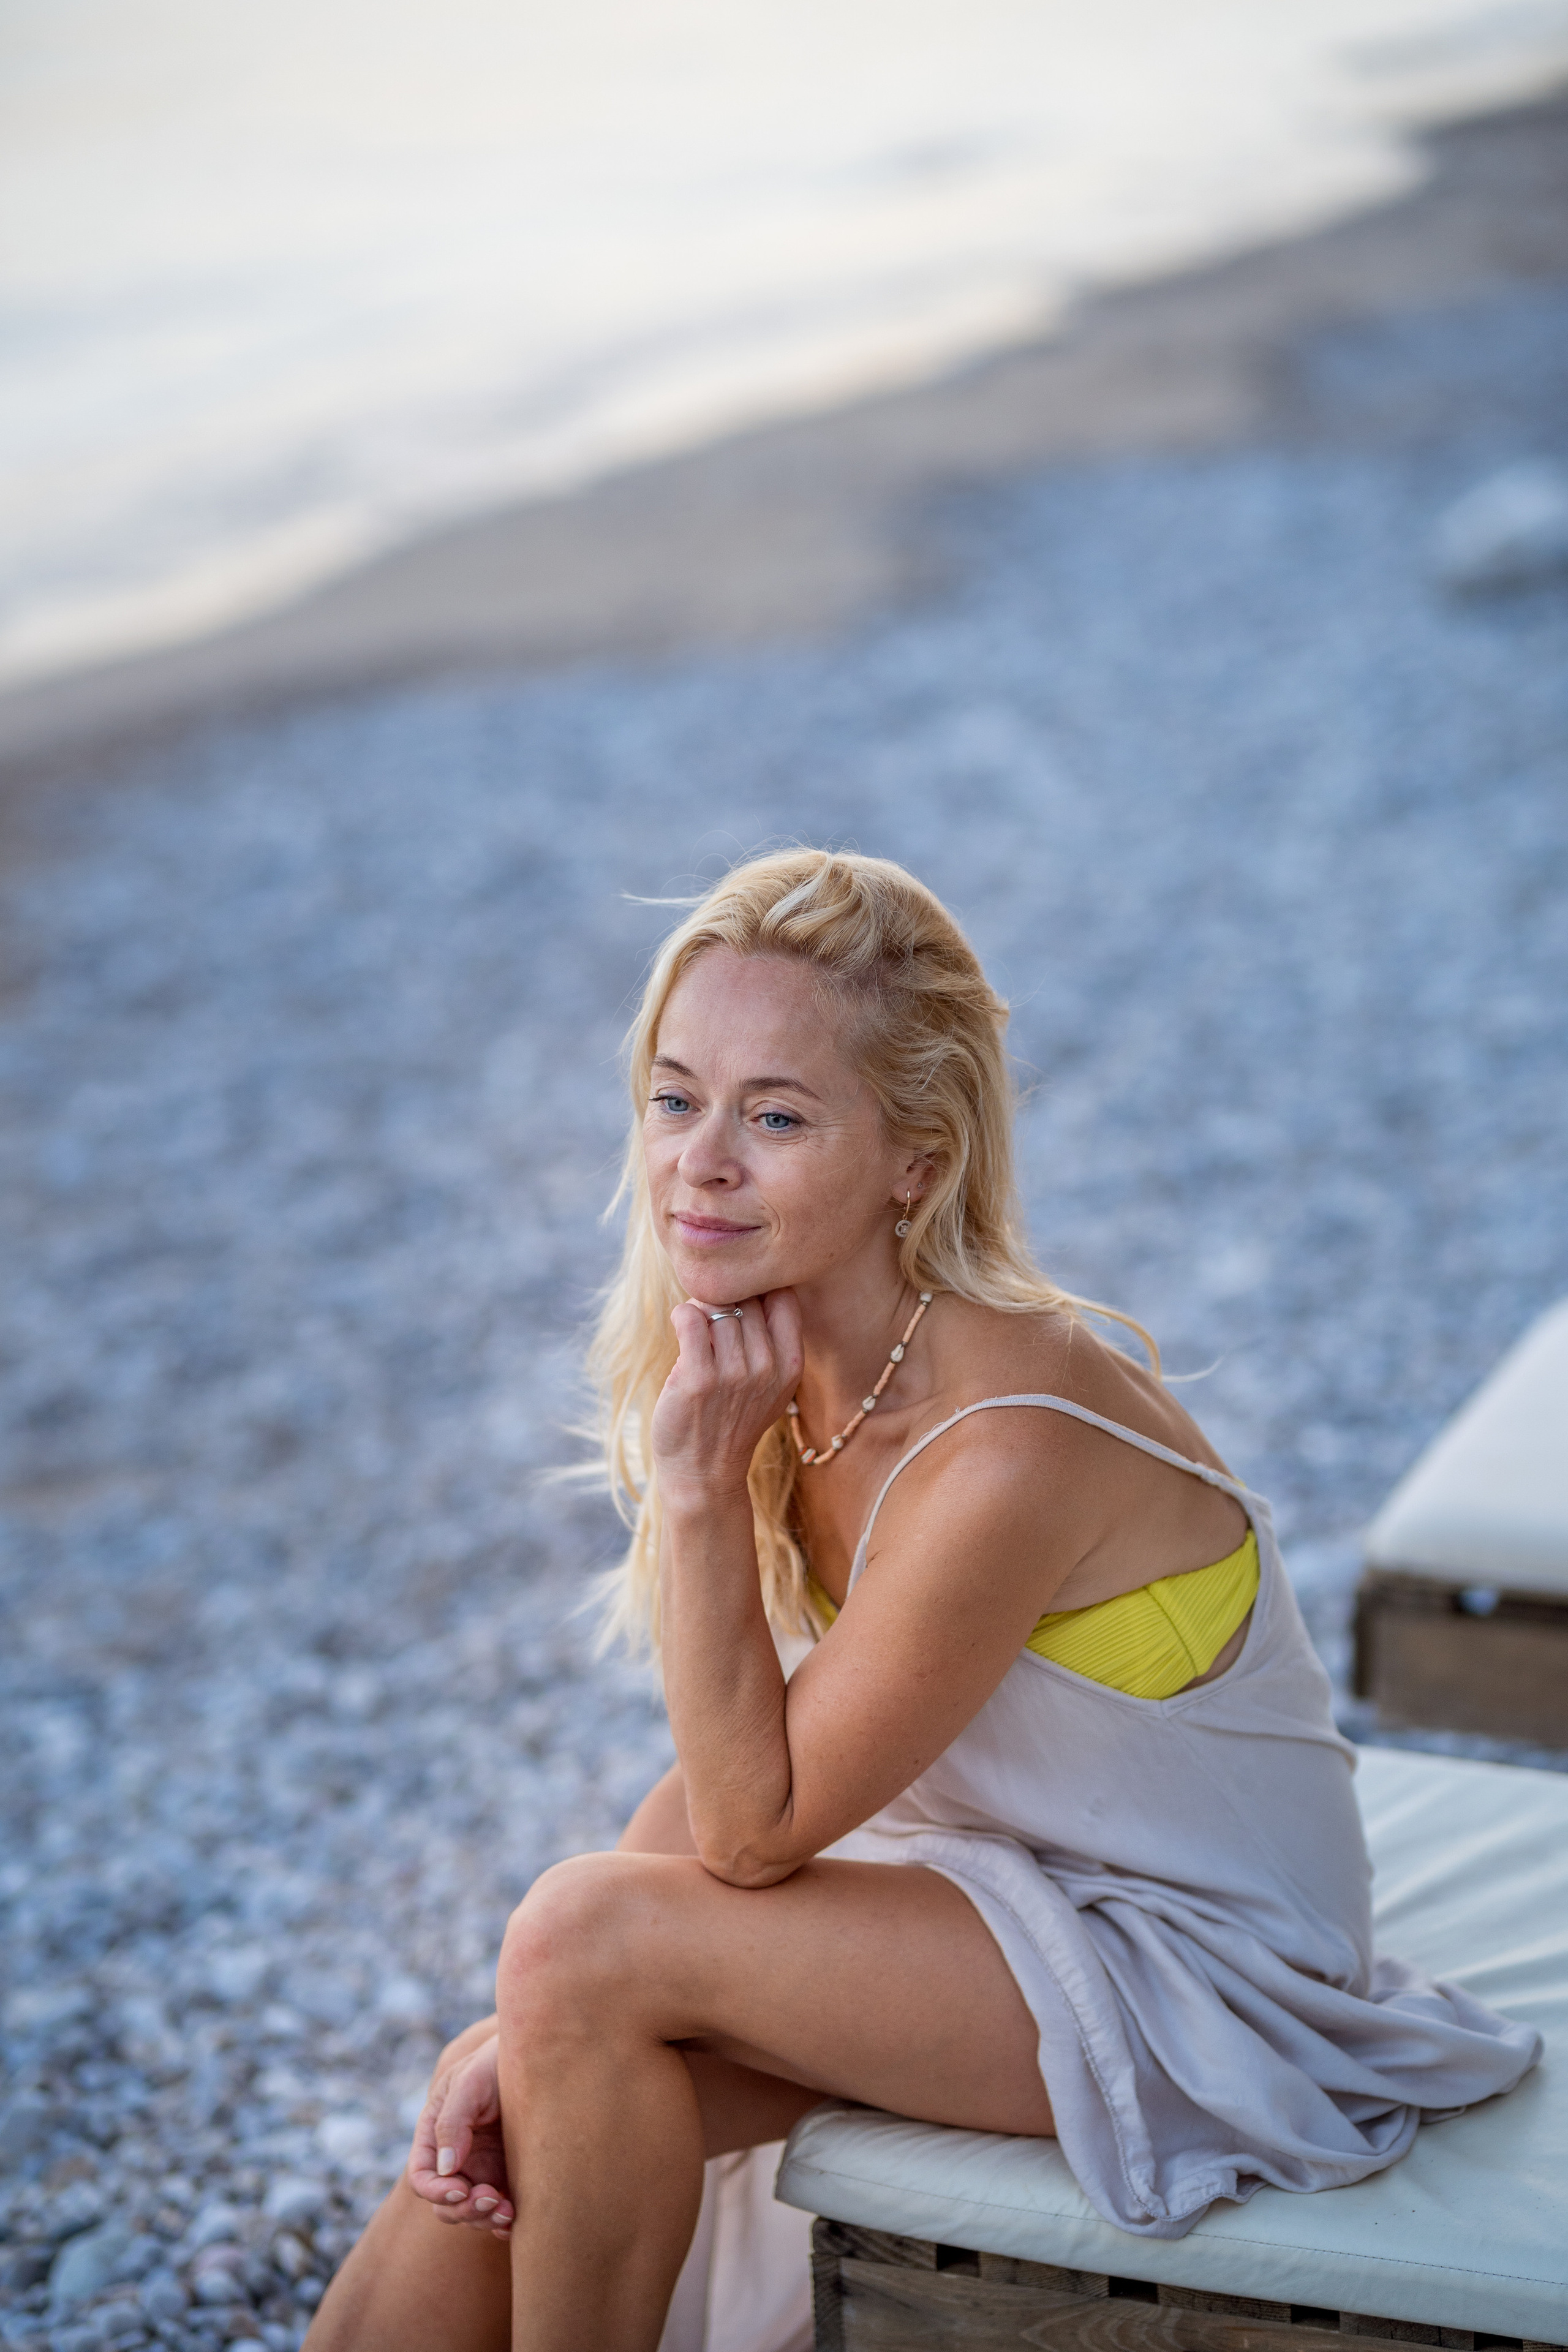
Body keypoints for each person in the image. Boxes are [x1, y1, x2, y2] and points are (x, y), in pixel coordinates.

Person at [307, 850, 1538, 2352]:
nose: (701, 1160)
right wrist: (520, 2021)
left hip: (1198, 1973)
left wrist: (698, 1499)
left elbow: (757, 1831)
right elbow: (729, 1777)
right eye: (674, 1096)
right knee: (538, 2075)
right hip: (994, 1883)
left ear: (914, 1158)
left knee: (576, 1939)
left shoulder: (1005, 1438)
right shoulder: (802, 1363)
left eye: (775, 1115)